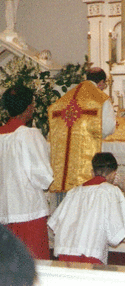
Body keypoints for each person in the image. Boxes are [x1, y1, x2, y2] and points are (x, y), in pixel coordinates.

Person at [48, 152, 125, 265]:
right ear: (114, 174)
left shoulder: (73, 192)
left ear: (92, 172)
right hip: (90, 254)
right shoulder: (111, 191)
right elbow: (115, 236)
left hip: (65, 253)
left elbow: (54, 224)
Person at [0, 83, 53, 260]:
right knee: (34, 267)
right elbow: (44, 179)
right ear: (28, 108)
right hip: (28, 212)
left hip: (3, 214)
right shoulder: (29, 135)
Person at [48, 67, 116, 193]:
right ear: (101, 82)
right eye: (104, 84)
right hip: (85, 154)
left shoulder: (64, 99)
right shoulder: (100, 98)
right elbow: (108, 127)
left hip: (63, 162)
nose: (103, 87)